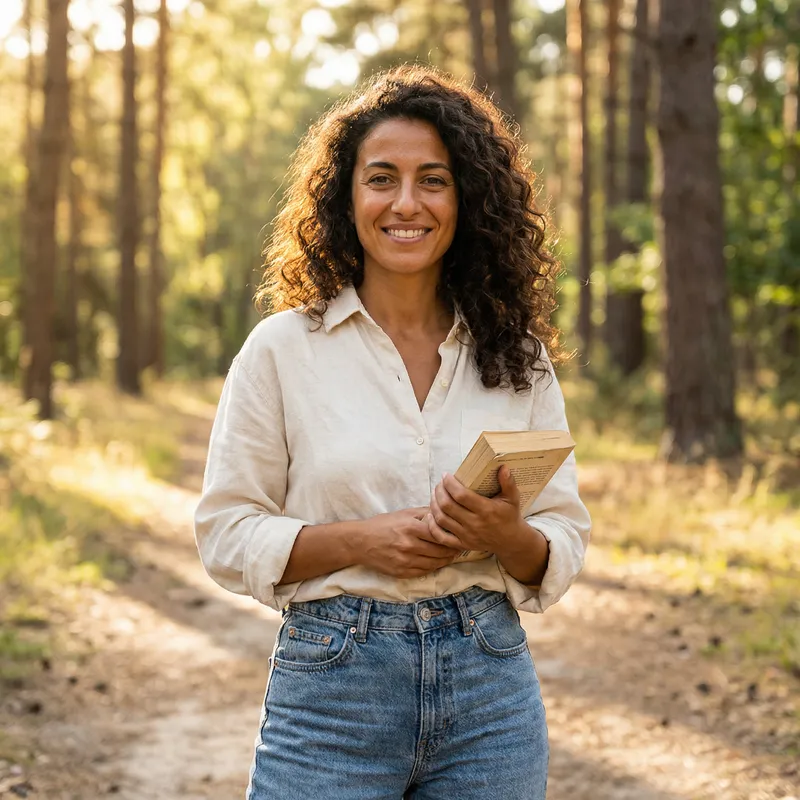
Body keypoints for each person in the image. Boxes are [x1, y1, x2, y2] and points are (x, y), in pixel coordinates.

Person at [194, 64, 591, 800]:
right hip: (332, 688)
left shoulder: (518, 357)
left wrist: (506, 535)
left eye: (433, 180)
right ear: (347, 198)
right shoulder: (283, 349)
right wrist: (362, 541)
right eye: (382, 178)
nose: (406, 203)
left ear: (466, 198)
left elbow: (561, 535)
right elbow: (225, 532)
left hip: (489, 686)